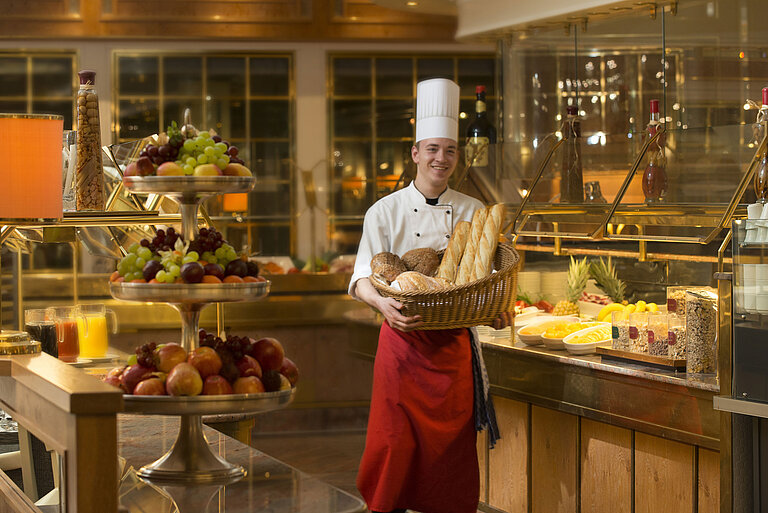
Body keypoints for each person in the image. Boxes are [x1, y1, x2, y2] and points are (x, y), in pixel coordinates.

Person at [349, 78, 502, 513]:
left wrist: (494, 311)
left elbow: (483, 281)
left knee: (449, 455)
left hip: (452, 348)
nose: (441, 158)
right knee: (392, 443)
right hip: (401, 344)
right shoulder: (384, 211)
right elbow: (362, 277)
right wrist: (383, 304)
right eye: (432, 149)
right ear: (415, 152)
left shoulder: (474, 211)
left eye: (449, 150)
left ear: (458, 155)